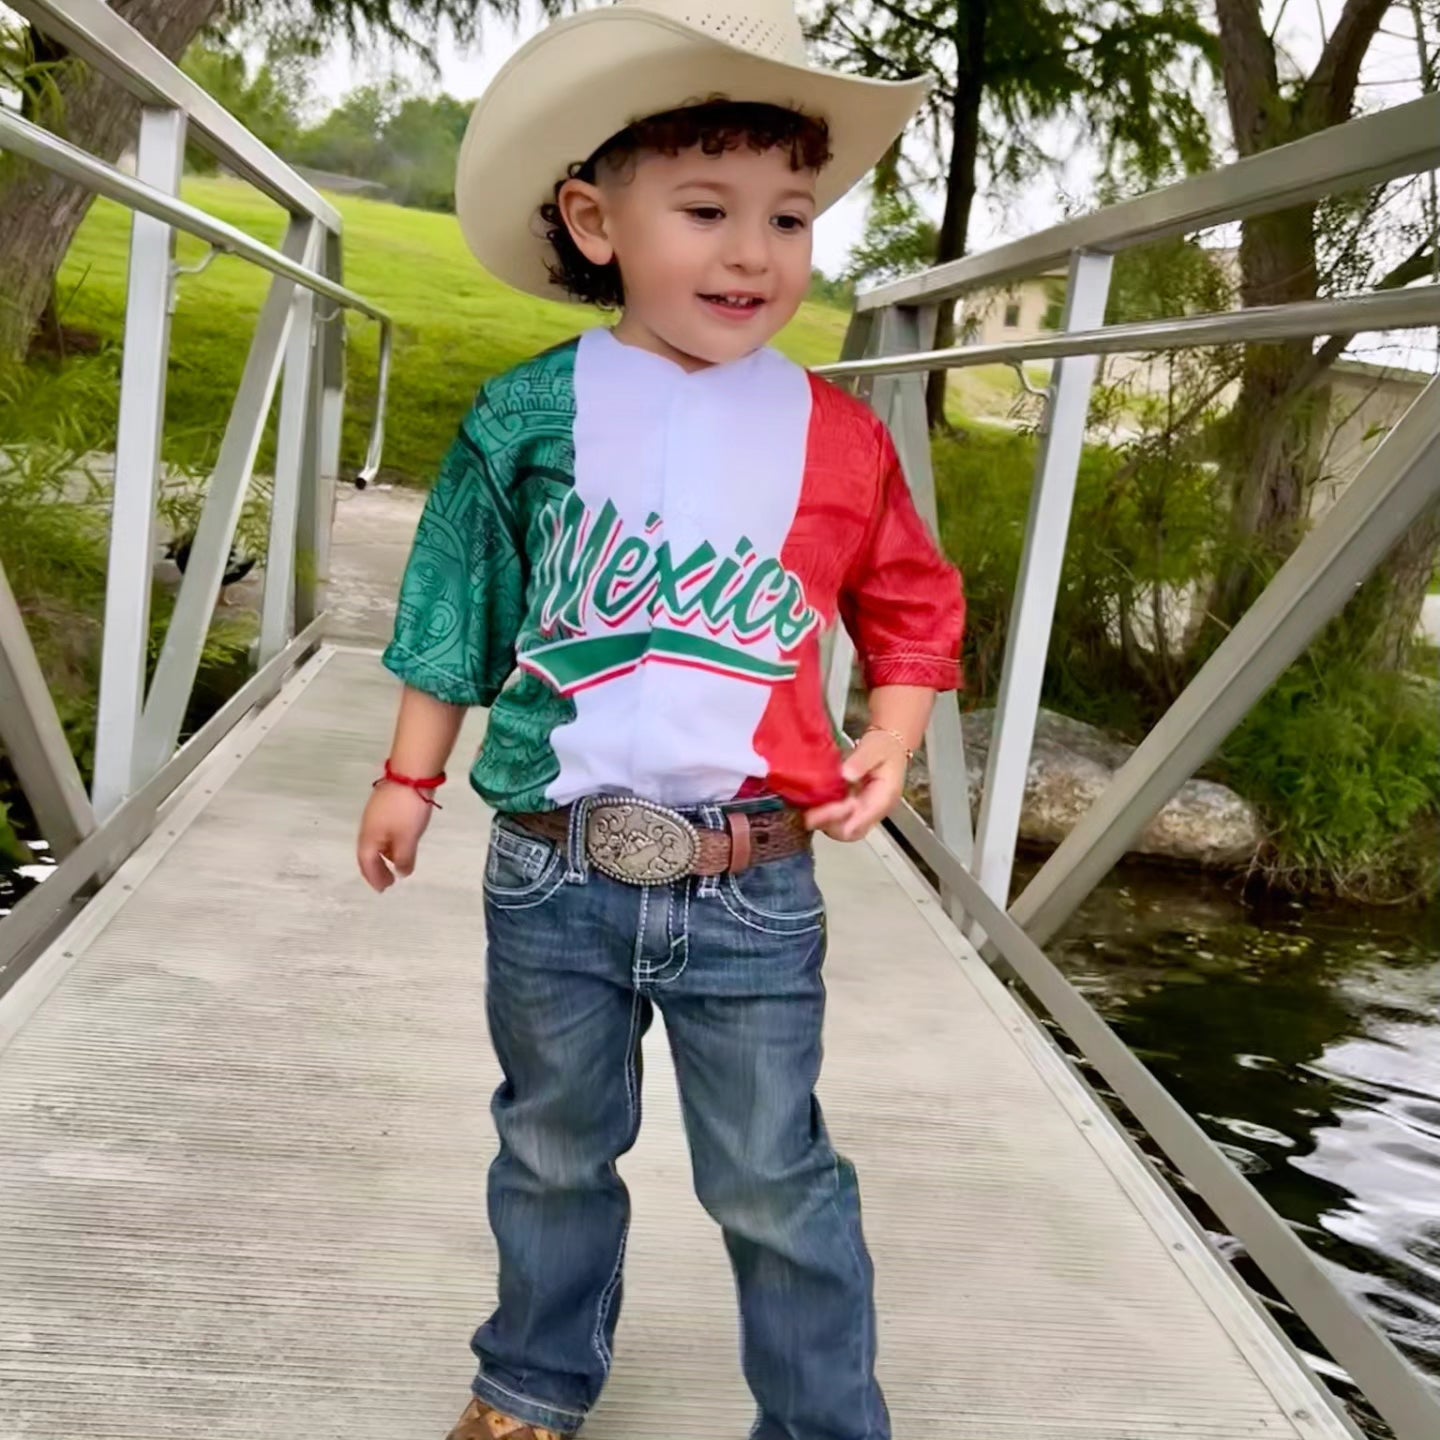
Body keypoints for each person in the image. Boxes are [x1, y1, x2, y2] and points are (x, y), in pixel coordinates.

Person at [355, 1, 964, 1436]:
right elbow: (457, 604)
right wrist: (405, 777)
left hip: (751, 878)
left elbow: (912, 603)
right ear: (596, 217)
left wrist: (895, 732)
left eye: (790, 216)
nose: (754, 252)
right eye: (706, 208)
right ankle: (530, 1383)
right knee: (554, 1144)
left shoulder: (837, 432)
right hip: (552, 864)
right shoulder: (528, 416)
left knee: (772, 1170)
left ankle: (822, 1420)